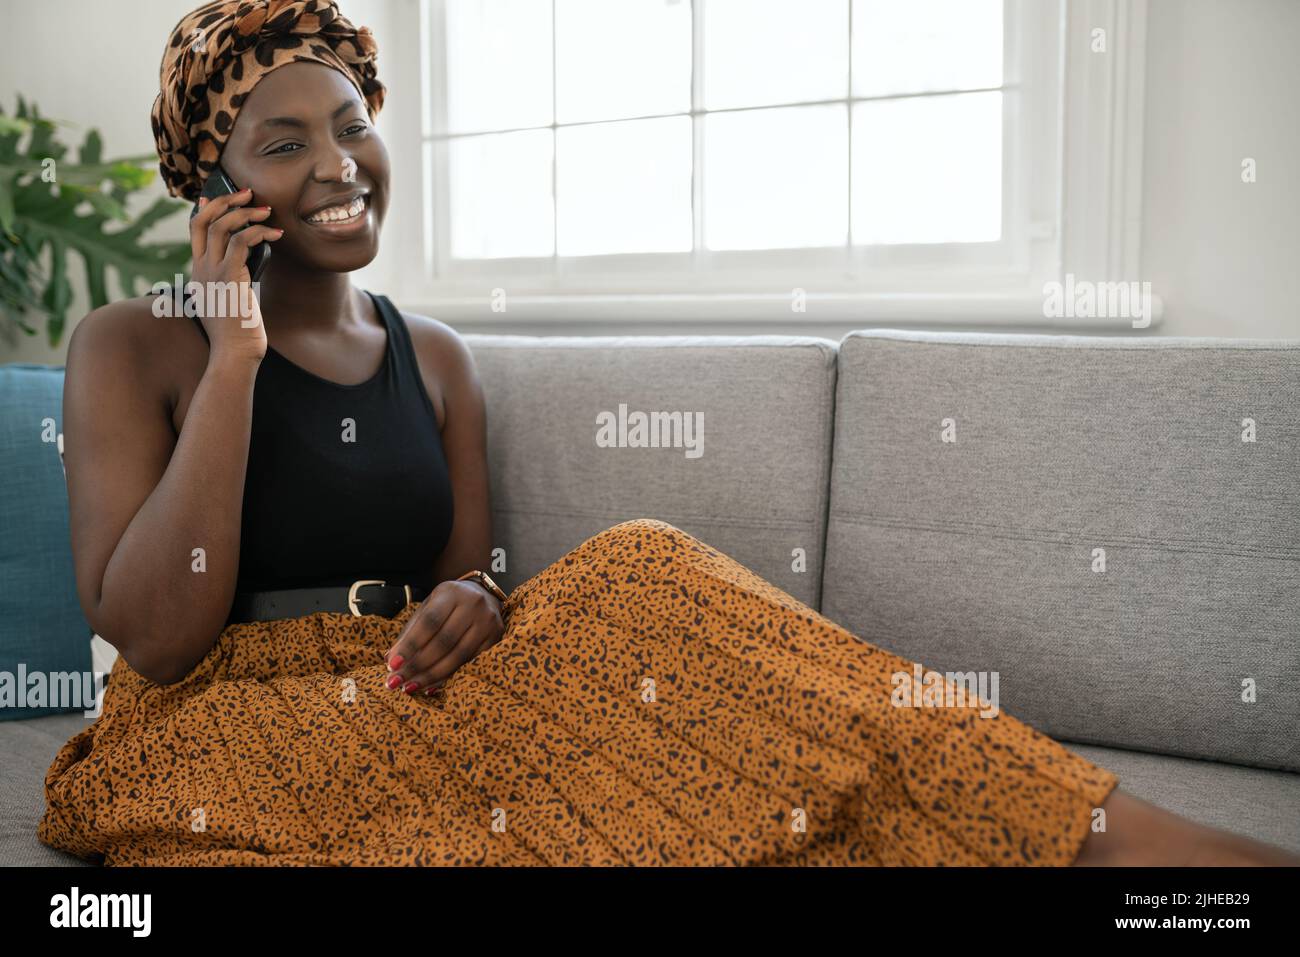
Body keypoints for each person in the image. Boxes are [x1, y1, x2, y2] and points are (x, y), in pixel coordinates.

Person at [39, 0, 1298, 867]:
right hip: (230, 725)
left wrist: (475, 597)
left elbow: (470, 573)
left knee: (645, 567)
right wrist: (236, 356)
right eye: (283, 141)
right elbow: (154, 635)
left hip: (414, 695)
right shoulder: (133, 345)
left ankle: (1110, 835)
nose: (339, 162)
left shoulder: (438, 359)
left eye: (352, 121)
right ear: (214, 188)